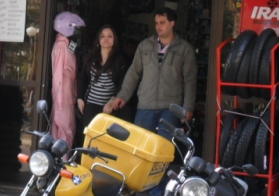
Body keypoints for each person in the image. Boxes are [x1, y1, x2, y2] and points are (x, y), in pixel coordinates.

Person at [111, 7, 197, 140]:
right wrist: (123, 95)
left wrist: (188, 107)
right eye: (156, 23)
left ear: (172, 23)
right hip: (145, 106)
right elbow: (134, 73)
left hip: (170, 109)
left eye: (162, 22)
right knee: (141, 147)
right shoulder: (144, 46)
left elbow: (190, 80)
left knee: (164, 149)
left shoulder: (185, 49)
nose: (158, 26)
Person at [76, 25, 129, 131]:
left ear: (115, 40)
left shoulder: (120, 61)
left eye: (110, 36)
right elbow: (82, 78)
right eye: (103, 36)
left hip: (109, 108)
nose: (106, 39)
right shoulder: (90, 58)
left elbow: (122, 84)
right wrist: (80, 98)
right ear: (98, 40)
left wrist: (113, 101)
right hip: (91, 105)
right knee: (89, 136)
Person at [50, 11, 85, 144]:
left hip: (67, 94)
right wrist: (59, 99)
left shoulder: (65, 45)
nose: (77, 32)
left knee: (64, 130)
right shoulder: (61, 46)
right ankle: (62, 162)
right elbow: (58, 74)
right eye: (75, 28)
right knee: (66, 130)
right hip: (63, 96)